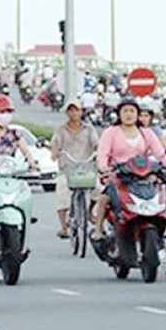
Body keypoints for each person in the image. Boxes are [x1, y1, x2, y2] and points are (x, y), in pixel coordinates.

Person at [94, 97, 166, 236]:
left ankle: (165, 218)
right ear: (119, 114)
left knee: (163, 189)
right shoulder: (110, 132)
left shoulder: (146, 133)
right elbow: (102, 154)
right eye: (125, 111)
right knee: (105, 198)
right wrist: (104, 167)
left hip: (143, 176)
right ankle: (98, 230)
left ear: (137, 114)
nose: (129, 114)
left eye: (132, 111)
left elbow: (160, 154)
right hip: (119, 176)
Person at [50, 99, 99, 238]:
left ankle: (89, 212)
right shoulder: (61, 130)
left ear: (81, 111)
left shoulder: (89, 129)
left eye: (76, 110)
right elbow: (55, 144)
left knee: (99, 188)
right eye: (71, 110)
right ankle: (64, 227)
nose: (74, 113)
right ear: (67, 112)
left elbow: (96, 143)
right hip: (67, 169)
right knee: (62, 192)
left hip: (87, 168)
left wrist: (99, 151)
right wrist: (55, 153)